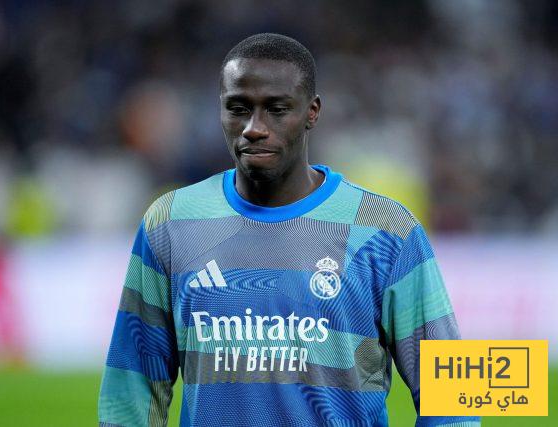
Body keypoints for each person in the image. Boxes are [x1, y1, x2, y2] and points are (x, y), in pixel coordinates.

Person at [98, 33, 479, 427]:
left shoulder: (387, 230)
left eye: (276, 109)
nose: (254, 127)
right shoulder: (170, 222)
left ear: (312, 112)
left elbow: (453, 399)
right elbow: (130, 392)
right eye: (238, 109)